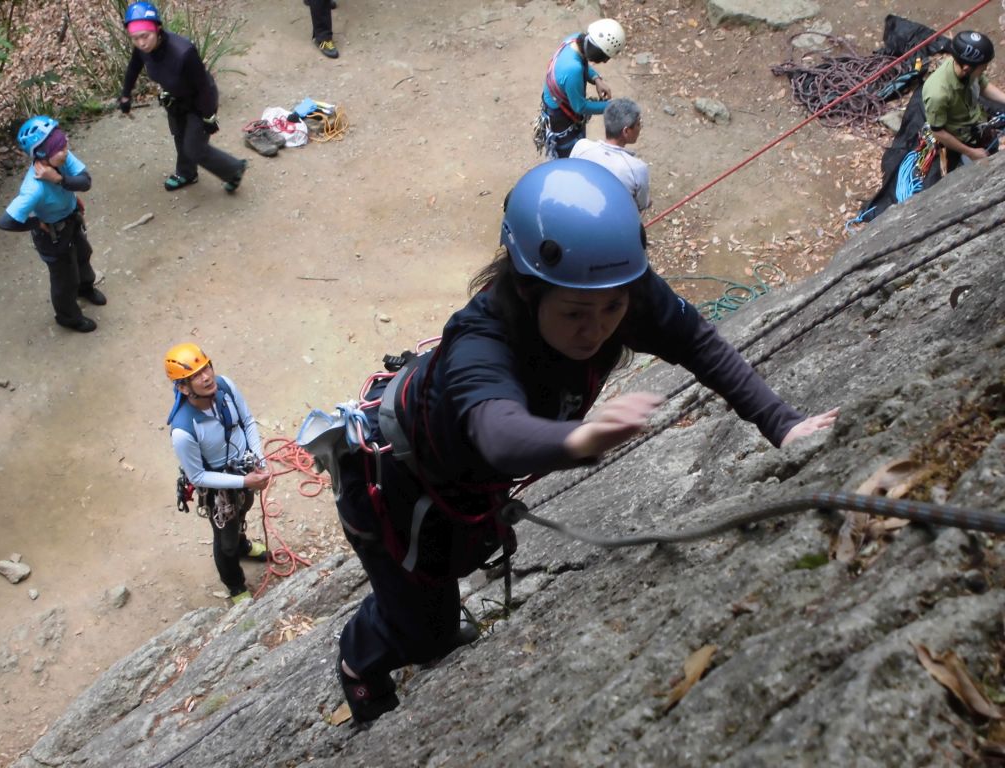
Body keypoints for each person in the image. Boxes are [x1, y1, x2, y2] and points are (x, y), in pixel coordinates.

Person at [329, 159, 839, 723]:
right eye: (574, 313)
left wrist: (783, 424)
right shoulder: (482, 340)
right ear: (527, 290)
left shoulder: (609, 289)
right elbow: (497, 431)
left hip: (462, 483)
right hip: (395, 487)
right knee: (425, 633)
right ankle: (358, 661)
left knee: (448, 582)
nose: (595, 329)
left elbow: (697, 343)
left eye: (612, 310)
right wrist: (582, 438)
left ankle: (421, 615)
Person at [164, 343, 271, 605]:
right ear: (183, 387)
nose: (207, 377)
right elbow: (198, 476)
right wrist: (245, 480)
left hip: (245, 470)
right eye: (196, 375)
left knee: (243, 511)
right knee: (225, 538)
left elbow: (247, 421)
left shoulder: (226, 388)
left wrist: (258, 460)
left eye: (207, 367)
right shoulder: (183, 430)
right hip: (218, 489)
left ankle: (243, 545)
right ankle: (234, 583)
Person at [118, 2, 248, 193]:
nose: (141, 43)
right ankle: (187, 173)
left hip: (199, 100)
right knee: (179, 136)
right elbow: (133, 67)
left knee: (195, 148)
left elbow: (203, 86)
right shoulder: (142, 49)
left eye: (145, 36)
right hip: (175, 98)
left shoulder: (183, 52)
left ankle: (234, 169)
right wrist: (125, 95)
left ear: (158, 29)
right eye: (135, 38)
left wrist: (208, 116)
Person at [0, 116, 106, 333]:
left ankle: (85, 288)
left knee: (83, 254)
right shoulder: (33, 188)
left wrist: (59, 180)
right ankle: (68, 317)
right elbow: (6, 221)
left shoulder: (63, 158)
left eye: (64, 143)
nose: (66, 149)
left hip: (71, 219)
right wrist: (37, 222)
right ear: (43, 154)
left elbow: (85, 182)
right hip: (52, 236)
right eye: (60, 147)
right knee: (64, 278)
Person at [535, 18, 626, 159]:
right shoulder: (573, 69)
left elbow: (582, 63)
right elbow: (580, 106)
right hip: (561, 119)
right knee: (568, 158)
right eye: (604, 57)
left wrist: (596, 79)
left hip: (559, 108)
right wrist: (611, 106)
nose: (604, 61)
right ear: (596, 52)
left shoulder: (574, 40)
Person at [922, 30, 1005, 177]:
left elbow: (983, 84)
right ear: (967, 68)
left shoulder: (966, 69)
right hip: (959, 139)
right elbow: (938, 131)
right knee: (978, 174)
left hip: (975, 125)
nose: (985, 69)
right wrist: (971, 153)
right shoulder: (938, 94)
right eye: (983, 67)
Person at [571, 97, 651, 211]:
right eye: (638, 124)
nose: (640, 128)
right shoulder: (637, 169)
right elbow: (642, 204)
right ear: (626, 131)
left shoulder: (581, 147)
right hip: (613, 224)